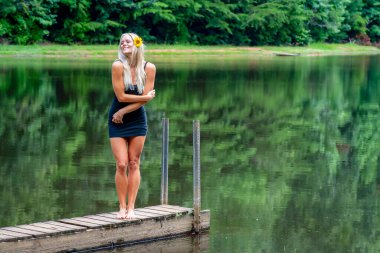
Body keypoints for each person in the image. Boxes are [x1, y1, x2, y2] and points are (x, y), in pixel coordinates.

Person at [108, 32, 156, 219]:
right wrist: (145, 97)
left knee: (134, 163)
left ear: (137, 44)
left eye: (127, 41)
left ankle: (131, 208)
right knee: (121, 164)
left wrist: (123, 111)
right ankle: (121, 207)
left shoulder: (149, 67)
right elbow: (122, 97)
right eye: (121, 42)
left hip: (136, 119)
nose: (123, 44)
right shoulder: (117, 66)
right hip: (116, 121)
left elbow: (141, 102)